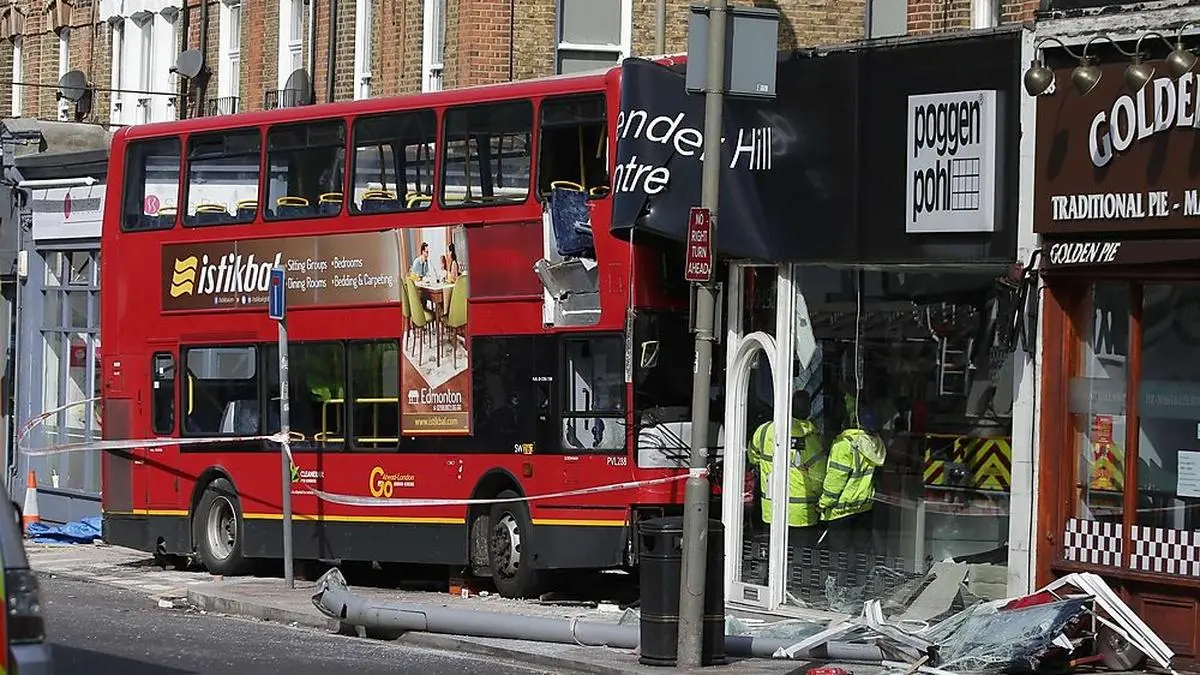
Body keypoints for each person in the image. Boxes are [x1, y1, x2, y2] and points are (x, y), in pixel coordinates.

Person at [747, 390, 827, 553]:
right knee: (799, 560)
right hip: (802, 515)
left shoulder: (763, 431)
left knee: (774, 555)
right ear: (808, 410)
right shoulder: (810, 439)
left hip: (771, 511)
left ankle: (768, 578)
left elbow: (753, 457)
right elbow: (819, 479)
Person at [818, 402, 887, 581]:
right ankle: (858, 589)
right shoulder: (875, 444)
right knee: (861, 554)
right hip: (864, 507)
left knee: (839, 557)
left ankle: (838, 595)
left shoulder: (845, 444)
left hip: (842, 509)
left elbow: (836, 479)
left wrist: (824, 503)